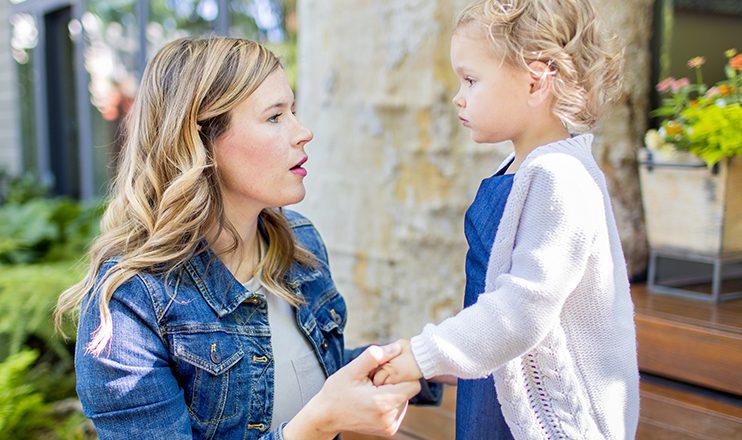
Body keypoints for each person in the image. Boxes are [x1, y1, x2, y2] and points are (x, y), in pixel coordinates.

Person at [54, 36, 431, 440]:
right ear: (200, 141)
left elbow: (290, 372)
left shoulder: (299, 244)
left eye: (294, 112)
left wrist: (428, 361)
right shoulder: (131, 304)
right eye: (274, 117)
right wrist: (319, 425)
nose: (303, 133)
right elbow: (309, 410)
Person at [373, 0, 640, 439]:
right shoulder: (523, 169)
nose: (458, 95)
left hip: (543, 419)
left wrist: (424, 355)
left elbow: (523, 309)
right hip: (500, 386)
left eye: (471, 80)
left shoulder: (560, 178)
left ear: (536, 82)